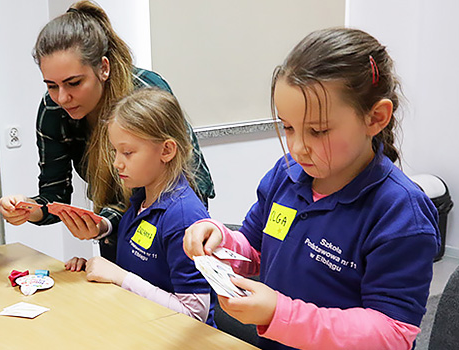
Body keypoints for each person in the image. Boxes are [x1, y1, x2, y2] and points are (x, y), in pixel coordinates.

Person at [182, 28, 439, 350]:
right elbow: (256, 249)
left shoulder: (400, 213)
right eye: (288, 127)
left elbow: (392, 333)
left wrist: (280, 312)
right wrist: (218, 241)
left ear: (375, 118)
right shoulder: (287, 174)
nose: (299, 147)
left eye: (318, 131)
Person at [0, 1, 214, 262]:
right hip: (114, 234)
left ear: (103, 67)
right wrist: (30, 209)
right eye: (51, 86)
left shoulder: (145, 93)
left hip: (168, 231)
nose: (62, 97)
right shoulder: (52, 110)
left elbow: (187, 186)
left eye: (74, 83)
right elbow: (55, 195)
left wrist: (105, 223)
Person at [65, 88, 214, 323]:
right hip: (140, 326)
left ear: (166, 150)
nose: (116, 163)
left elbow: (195, 314)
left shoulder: (183, 218)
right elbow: (142, 277)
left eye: (127, 152)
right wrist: (94, 272)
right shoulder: (141, 200)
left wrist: (119, 277)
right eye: (115, 151)